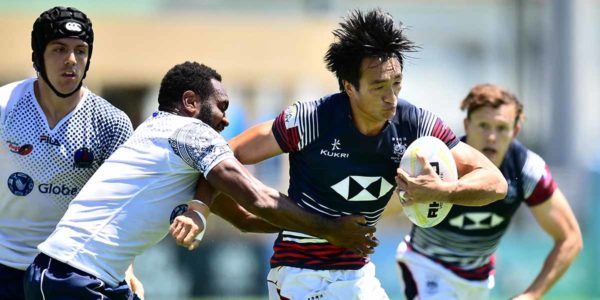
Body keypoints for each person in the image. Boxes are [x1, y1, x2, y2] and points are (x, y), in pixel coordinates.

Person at [200, 9, 507, 300]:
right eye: (378, 87)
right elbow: (219, 158)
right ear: (349, 86)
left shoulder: (416, 124)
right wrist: (223, 213)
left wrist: (444, 191)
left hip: (358, 274)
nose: (392, 97)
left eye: (397, 83)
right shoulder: (311, 120)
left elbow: (495, 182)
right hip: (301, 274)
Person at [23, 61, 377, 300]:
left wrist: (315, 224)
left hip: (78, 276)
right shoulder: (189, 132)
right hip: (70, 275)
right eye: (221, 106)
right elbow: (259, 199)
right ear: (191, 102)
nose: (225, 120)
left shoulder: (164, 140)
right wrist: (330, 227)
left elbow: (245, 218)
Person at [0, 6, 141, 300]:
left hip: (71, 271)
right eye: (59, 49)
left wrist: (127, 267)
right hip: (5, 265)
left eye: (81, 50)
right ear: (38, 56)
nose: (71, 60)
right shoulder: (5, 107)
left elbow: (122, 208)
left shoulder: (111, 123)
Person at [395, 84, 583, 299]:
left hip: (479, 280)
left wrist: (531, 295)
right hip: (427, 267)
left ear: (515, 131)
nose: (491, 137)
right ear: (467, 125)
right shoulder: (438, 162)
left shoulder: (527, 170)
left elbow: (570, 238)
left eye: (501, 128)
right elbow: (392, 204)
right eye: (483, 125)